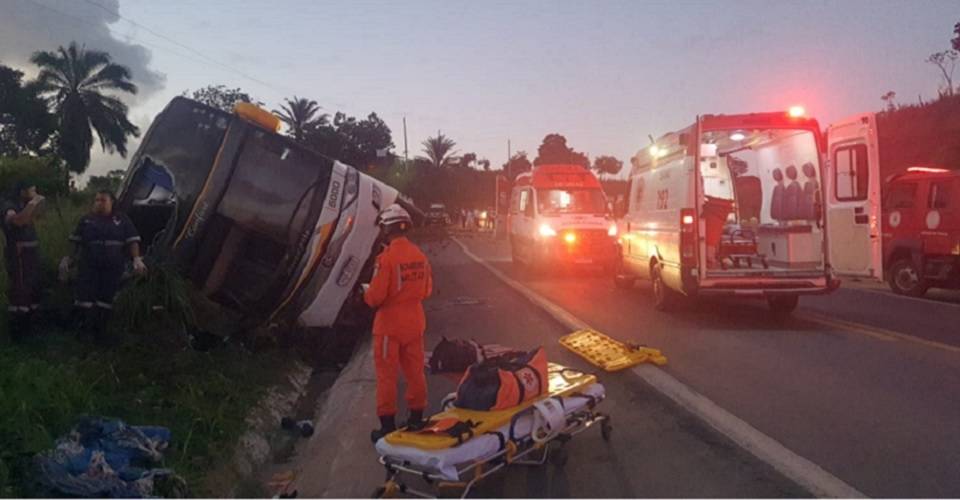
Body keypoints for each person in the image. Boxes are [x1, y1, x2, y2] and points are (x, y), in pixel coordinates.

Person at [364, 203, 433, 443]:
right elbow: (426, 290)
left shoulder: (386, 259)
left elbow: (375, 297)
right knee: (415, 372)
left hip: (389, 326)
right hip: (414, 322)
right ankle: (416, 418)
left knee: (387, 376)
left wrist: (365, 292)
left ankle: (387, 426)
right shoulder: (419, 256)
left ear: (387, 229)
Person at [60, 191, 147, 344]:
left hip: (112, 267)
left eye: (103, 200)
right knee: (85, 298)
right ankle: (83, 333)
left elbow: (132, 241)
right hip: (89, 266)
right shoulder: (86, 220)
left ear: (112, 202)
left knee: (106, 299)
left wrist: (137, 259)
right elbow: (75, 243)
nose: (99, 202)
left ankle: (100, 333)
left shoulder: (122, 220)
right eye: (97, 199)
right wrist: (68, 259)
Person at [2, 181, 45, 341]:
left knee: (33, 289)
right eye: (32, 189)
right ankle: (18, 333)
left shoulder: (23, 204)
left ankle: (32, 328)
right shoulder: (8, 204)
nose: (35, 192)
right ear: (23, 191)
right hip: (18, 252)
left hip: (31, 252)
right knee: (20, 290)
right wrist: (34, 202)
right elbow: (18, 221)